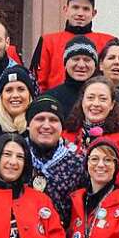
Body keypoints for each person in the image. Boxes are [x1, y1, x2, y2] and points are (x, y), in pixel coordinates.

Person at [30, 0, 114, 91]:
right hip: (56, 104)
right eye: (75, 7)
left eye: (86, 9)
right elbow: (37, 82)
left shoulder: (108, 42)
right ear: (66, 10)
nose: (80, 13)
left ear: (94, 13)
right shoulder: (48, 41)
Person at [23, 95, 87, 227]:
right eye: (39, 119)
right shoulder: (16, 157)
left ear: (61, 127)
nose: (46, 125)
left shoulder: (77, 164)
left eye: (53, 120)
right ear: (28, 125)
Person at [61, 76, 119, 182]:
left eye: (103, 99)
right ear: (82, 101)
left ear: (112, 105)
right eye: (90, 98)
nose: (96, 104)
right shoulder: (65, 136)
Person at [43, 36, 99, 119]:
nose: (81, 65)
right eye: (75, 59)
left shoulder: (107, 97)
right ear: (65, 64)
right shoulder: (50, 98)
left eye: (87, 60)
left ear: (95, 65)